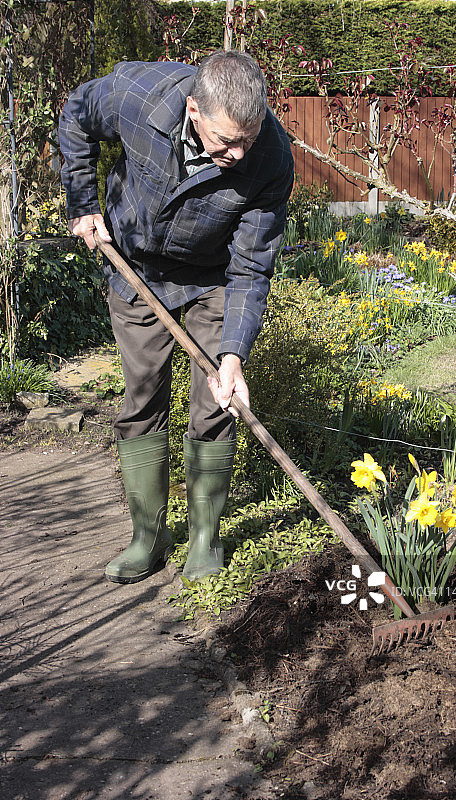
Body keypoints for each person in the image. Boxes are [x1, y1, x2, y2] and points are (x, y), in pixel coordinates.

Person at [59, 51, 294, 584]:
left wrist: (232, 356)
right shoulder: (138, 96)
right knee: (142, 394)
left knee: (217, 401)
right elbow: (76, 115)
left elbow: (251, 266)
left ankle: (204, 539)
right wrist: (81, 203)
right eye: (225, 140)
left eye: (248, 139)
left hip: (211, 276)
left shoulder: (271, 157)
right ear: (193, 109)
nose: (237, 153)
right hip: (134, 265)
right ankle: (149, 535)